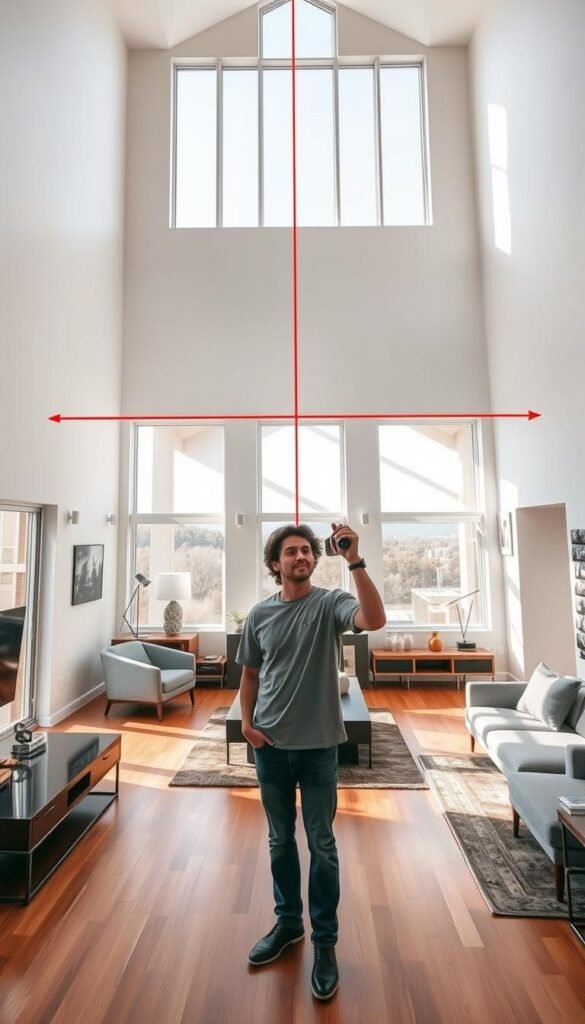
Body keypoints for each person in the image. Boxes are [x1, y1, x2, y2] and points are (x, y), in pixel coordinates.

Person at [236, 522, 386, 1001]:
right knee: (280, 840)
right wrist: (246, 724)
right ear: (274, 564)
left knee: (321, 845)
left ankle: (325, 944)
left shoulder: (329, 604)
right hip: (270, 748)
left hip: (320, 747)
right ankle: (288, 926)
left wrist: (355, 560)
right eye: (290, 551)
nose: (300, 556)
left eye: (306, 550)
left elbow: (374, 620)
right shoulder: (259, 614)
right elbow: (251, 676)